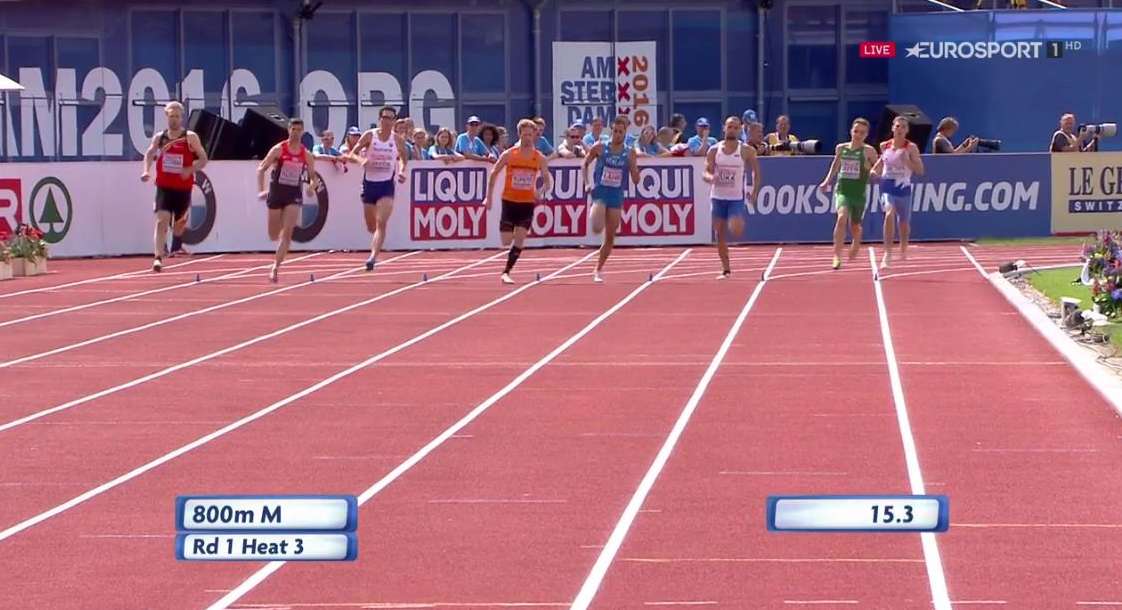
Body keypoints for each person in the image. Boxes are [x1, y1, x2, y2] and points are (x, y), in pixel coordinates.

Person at [141, 101, 208, 273]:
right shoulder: (160, 137)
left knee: (178, 227)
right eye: (171, 116)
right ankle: (158, 258)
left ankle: (176, 244)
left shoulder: (190, 137)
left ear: (182, 117)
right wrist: (146, 171)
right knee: (161, 220)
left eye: (177, 116)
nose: (174, 120)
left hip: (183, 189)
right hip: (164, 187)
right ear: (166, 116)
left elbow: (203, 159)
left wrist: (190, 169)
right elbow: (149, 153)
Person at [486, 118, 553, 285]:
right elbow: (494, 173)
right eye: (525, 135)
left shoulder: (539, 158)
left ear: (535, 136)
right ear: (519, 135)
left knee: (520, 239)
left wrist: (540, 191)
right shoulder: (509, 154)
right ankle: (515, 232)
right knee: (506, 241)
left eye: (530, 135)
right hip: (509, 201)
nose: (528, 138)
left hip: (527, 203)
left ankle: (506, 272)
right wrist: (489, 197)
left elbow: (547, 181)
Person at [255, 118, 319, 282]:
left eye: (299, 130)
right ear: (288, 130)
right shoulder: (279, 149)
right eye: (293, 129)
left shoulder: (306, 154)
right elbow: (261, 168)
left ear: (303, 132)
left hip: (293, 194)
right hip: (276, 193)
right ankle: (278, 253)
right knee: (273, 234)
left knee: (288, 232)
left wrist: (311, 187)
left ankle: (275, 268)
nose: (296, 133)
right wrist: (261, 190)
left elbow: (314, 177)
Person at [347, 105, 409, 271]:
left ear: (394, 121)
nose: (386, 121)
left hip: (386, 185)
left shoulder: (397, 140)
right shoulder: (370, 135)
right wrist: (362, 161)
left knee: (381, 222)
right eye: (384, 118)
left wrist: (402, 171)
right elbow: (352, 153)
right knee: (371, 226)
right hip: (369, 184)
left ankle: (372, 257)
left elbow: (403, 158)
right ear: (379, 119)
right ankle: (377, 240)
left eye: (390, 118)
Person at [583, 116, 641, 283]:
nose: (617, 134)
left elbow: (636, 180)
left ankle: (598, 269)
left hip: (616, 195)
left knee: (609, 238)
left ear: (625, 133)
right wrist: (587, 183)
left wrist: (636, 172)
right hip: (600, 193)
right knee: (596, 228)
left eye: (620, 132)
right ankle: (596, 212)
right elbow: (584, 164)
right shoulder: (600, 147)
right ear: (611, 131)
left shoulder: (629, 152)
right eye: (615, 131)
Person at [704, 116, 760, 279]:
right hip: (717, 197)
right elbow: (706, 171)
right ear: (724, 128)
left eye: (736, 128)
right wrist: (710, 178)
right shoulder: (714, 150)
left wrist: (754, 191)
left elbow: (756, 172)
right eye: (730, 127)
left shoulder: (746, 150)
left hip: (735, 198)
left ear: (740, 130)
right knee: (719, 234)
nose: (732, 130)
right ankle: (726, 269)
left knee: (735, 229)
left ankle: (737, 220)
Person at [818, 118, 878, 270]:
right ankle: (837, 255)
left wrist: (871, 170)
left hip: (859, 193)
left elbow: (879, 167)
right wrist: (827, 181)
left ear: (866, 135)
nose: (858, 135)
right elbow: (835, 165)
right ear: (851, 131)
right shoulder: (841, 148)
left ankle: (856, 241)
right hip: (843, 190)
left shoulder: (869, 151)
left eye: (862, 133)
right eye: (856, 131)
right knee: (841, 218)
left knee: (855, 226)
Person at [872, 116, 924, 268]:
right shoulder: (884, 146)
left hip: (903, 187)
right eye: (897, 126)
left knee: (904, 223)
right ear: (892, 128)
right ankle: (887, 253)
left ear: (907, 130)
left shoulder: (911, 147)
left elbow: (920, 170)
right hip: (887, 185)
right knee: (889, 213)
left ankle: (903, 248)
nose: (900, 129)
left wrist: (908, 161)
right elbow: (880, 163)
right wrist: (874, 172)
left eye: (903, 127)